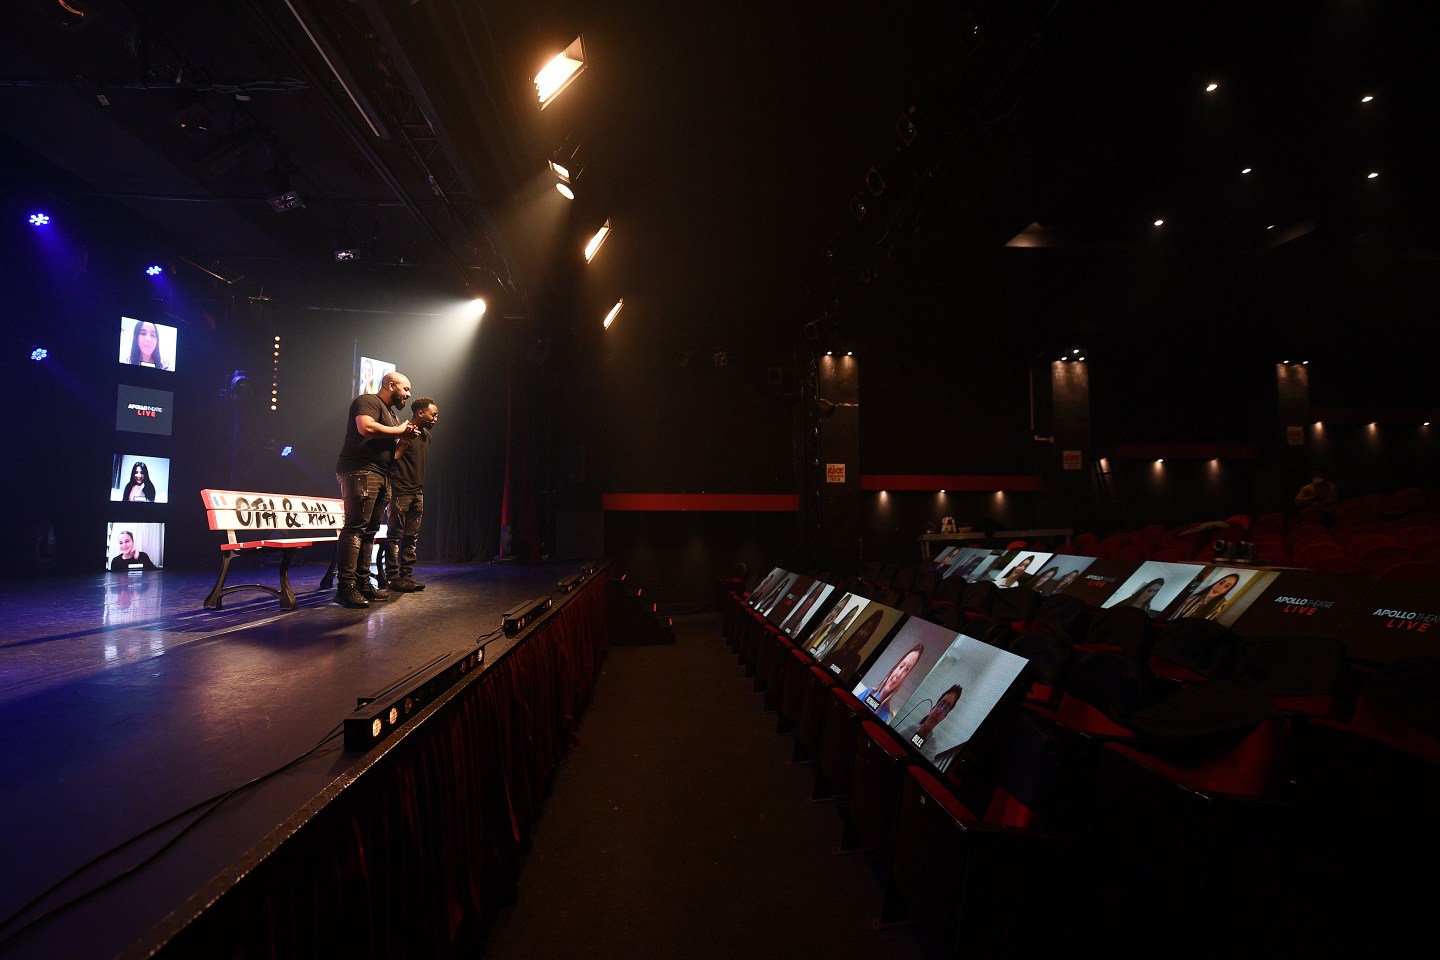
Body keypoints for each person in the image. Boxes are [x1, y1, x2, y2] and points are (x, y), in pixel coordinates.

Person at [333, 371, 420, 609]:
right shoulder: (368, 401)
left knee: (369, 531)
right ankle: (345, 587)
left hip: (382, 474)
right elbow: (366, 428)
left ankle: (362, 584)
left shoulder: (392, 416)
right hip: (360, 470)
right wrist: (400, 431)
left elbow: (395, 455)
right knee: (356, 528)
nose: (408, 394)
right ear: (391, 385)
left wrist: (405, 438)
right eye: (405, 389)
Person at [382, 397, 438, 592]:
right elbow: (393, 458)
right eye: (433, 414)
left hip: (417, 491)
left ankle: (406, 576)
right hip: (400, 491)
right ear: (420, 413)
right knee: (395, 535)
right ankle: (392, 577)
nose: (435, 418)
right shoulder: (402, 430)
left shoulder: (427, 436)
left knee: (411, 537)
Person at [856, 643, 925, 723]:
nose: (899, 675)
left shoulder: (885, 714)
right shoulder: (868, 692)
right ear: (894, 668)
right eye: (901, 666)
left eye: (906, 670)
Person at [895, 683, 964, 759]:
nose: (940, 711)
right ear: (933, 708)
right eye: (941, 704)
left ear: (944, 717)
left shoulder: (931, 749)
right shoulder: (911, 728)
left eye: (946, 709)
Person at [822, 608, 885, 682]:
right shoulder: (839, 650)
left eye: (868, 630)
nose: (862, 633)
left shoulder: (855, 659)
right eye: (863, 628)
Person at [1169, 572, 1241, 621]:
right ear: (1216, 583)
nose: (1220, 587)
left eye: (1226, 586)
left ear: (1226, 591)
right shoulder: (1194, 598)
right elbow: (1173, 618)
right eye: (1221, 582)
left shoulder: (1218, 606)